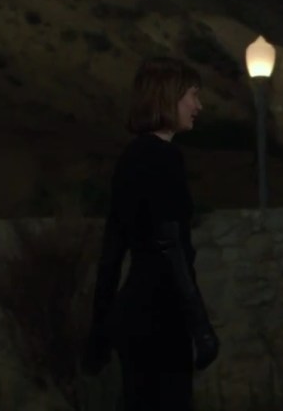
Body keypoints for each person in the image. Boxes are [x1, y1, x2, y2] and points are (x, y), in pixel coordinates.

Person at [82, 56, 219, 410]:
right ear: (169, 97)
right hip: (161, 317)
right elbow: (173, 248)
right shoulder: (165, 158)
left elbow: (112, 252)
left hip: (134, 315)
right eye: (192, 95)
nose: (198, 106)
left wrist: (100, 328)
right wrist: (200, 326)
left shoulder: (130, 158)